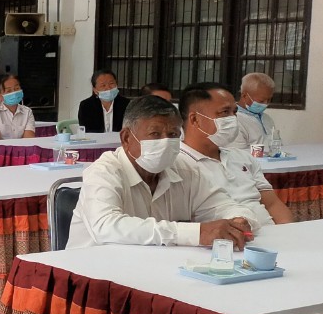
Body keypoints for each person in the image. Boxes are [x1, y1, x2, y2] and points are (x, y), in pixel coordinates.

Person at [66, 94, 258, 249]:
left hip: (155, 269)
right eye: (155, 134)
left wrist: (238, 221)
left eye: (173, 134)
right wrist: (195, 233)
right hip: (91, 274)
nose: (165, 142)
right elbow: (106, 227)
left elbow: (224, 205)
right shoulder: (104, 171)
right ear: (126, 138)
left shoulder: (185, 169)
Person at [178, 82, 293, 227]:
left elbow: (272, 204)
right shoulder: (178, 164)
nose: (233, 118)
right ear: (195, 120)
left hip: (271, 235)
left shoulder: (243, 157)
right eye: (224, 112)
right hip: (223, 238)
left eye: (234, 112)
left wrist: (287, 232)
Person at [0, 75, 36, 140]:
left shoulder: (27, 112)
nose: (14, 93)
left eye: (17, 88)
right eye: (9, 91)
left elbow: (29, 139)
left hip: (19, 147)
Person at [235, 72, 279, 147]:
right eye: (261, 101)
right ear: (244, 96)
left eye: (269, 100)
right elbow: (238, 152)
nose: (266, 104)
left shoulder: (267, 118)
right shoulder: (234, 120)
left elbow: (276, 143)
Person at [78, 69, 129, 133]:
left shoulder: (127, 104)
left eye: (111, 83)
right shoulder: (86, 106)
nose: (108, 88)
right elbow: (87, 131)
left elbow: (130, 130)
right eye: (103, 85)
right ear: (95, 90)